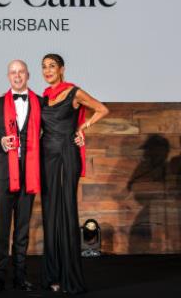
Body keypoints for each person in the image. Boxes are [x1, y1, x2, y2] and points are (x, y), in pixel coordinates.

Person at [40, 53, 109, 294]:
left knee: (66, 211)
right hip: (46, 157)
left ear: (61, 69)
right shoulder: (44, 97)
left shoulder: (74, 92)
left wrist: (82, 127)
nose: (48, 71)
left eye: (52, 66)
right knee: (50, 213)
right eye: (44, 67)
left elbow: (102, 109)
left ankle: (70, 277)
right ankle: (53, 275)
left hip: (66, 155)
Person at [0, 60, 42, 293]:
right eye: (13, 72)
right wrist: (0, 142)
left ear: (27, 75)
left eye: (21, 72)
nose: (17, 76)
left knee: (23, 229)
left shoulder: (39, 102)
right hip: (3, 174)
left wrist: (78, 133)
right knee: (1, 228)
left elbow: (53, 130)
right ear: (8, 76)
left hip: (30, 174)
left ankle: (20, 277)